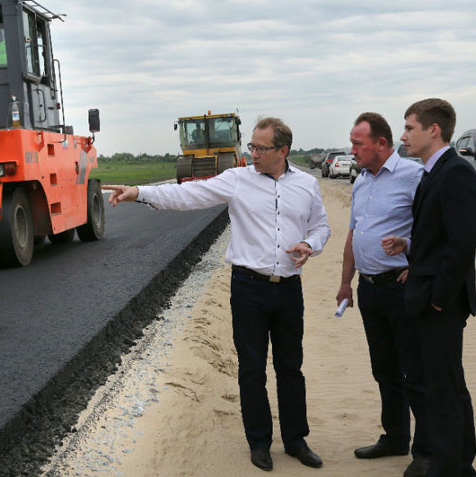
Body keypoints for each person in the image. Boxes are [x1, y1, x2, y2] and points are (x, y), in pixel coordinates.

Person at [103, 117, 330, 471]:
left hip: (288, 289)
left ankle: (296, 440)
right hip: (249, 288)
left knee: (290, 367)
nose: (252, 152)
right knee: (252, 369)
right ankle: (259, 443)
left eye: (260, 148)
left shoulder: (306, 185)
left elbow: (321, 226)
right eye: (252, 145)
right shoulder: (237, 180)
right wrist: (141, 193)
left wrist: (309, 244)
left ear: (282, 151)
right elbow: (188, 194)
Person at [383, 98, 476, 477]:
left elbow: (462, 245)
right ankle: (457, 464)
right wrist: (411, 248)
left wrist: (440, 298)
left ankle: (451, 467)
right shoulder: (432, 171)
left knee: (444, 388)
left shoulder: (455, 173)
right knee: (447, 384)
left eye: (409, 128)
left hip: (441, 302)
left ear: (433, 129)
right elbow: (440, 239)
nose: (403, 135)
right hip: (429, 297)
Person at [336, 112, 430, 477]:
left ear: (382, 144)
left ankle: (426, 450)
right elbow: (354, 234)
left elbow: (434, 229)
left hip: (402, 288)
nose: (353, 149)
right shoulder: (361, 181)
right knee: (384, 369)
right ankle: (394, 437)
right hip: (370, 289)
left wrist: (417, 262)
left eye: (358, 143)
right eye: (352, 142)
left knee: (414, 371)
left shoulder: (414, 176)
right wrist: (346, 282)